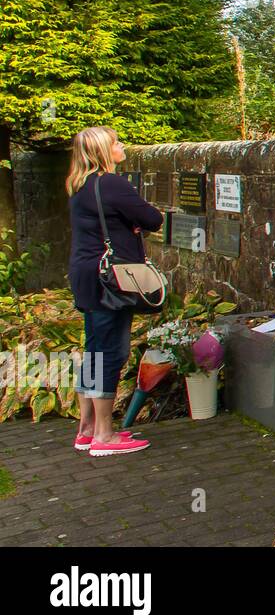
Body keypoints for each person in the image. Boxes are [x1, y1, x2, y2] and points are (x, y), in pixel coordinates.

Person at [65, 127, 163, 457]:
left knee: (94, 348)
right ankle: (105, 436)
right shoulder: (110, 182)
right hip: (108, 279)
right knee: (110, 351)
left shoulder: (79, 184)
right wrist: (134, 223)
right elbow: (153, 218)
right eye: (116, 142)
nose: (122, 146)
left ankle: (87, 428)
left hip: (85, 274)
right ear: (103, 151)